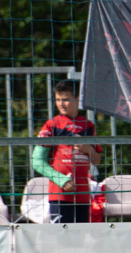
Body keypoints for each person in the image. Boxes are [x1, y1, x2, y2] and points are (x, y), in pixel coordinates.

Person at [33, 80, 102, 223]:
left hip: (83, 195)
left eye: (65, 99)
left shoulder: (88, 125)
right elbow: (37, 161)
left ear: (78, 99)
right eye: (58, 99)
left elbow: (97, 160)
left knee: (82, 238)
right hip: (60, 194)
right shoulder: (52, 124)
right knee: (61, 239)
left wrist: (87, 149)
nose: (61, 104)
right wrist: (61, 180)